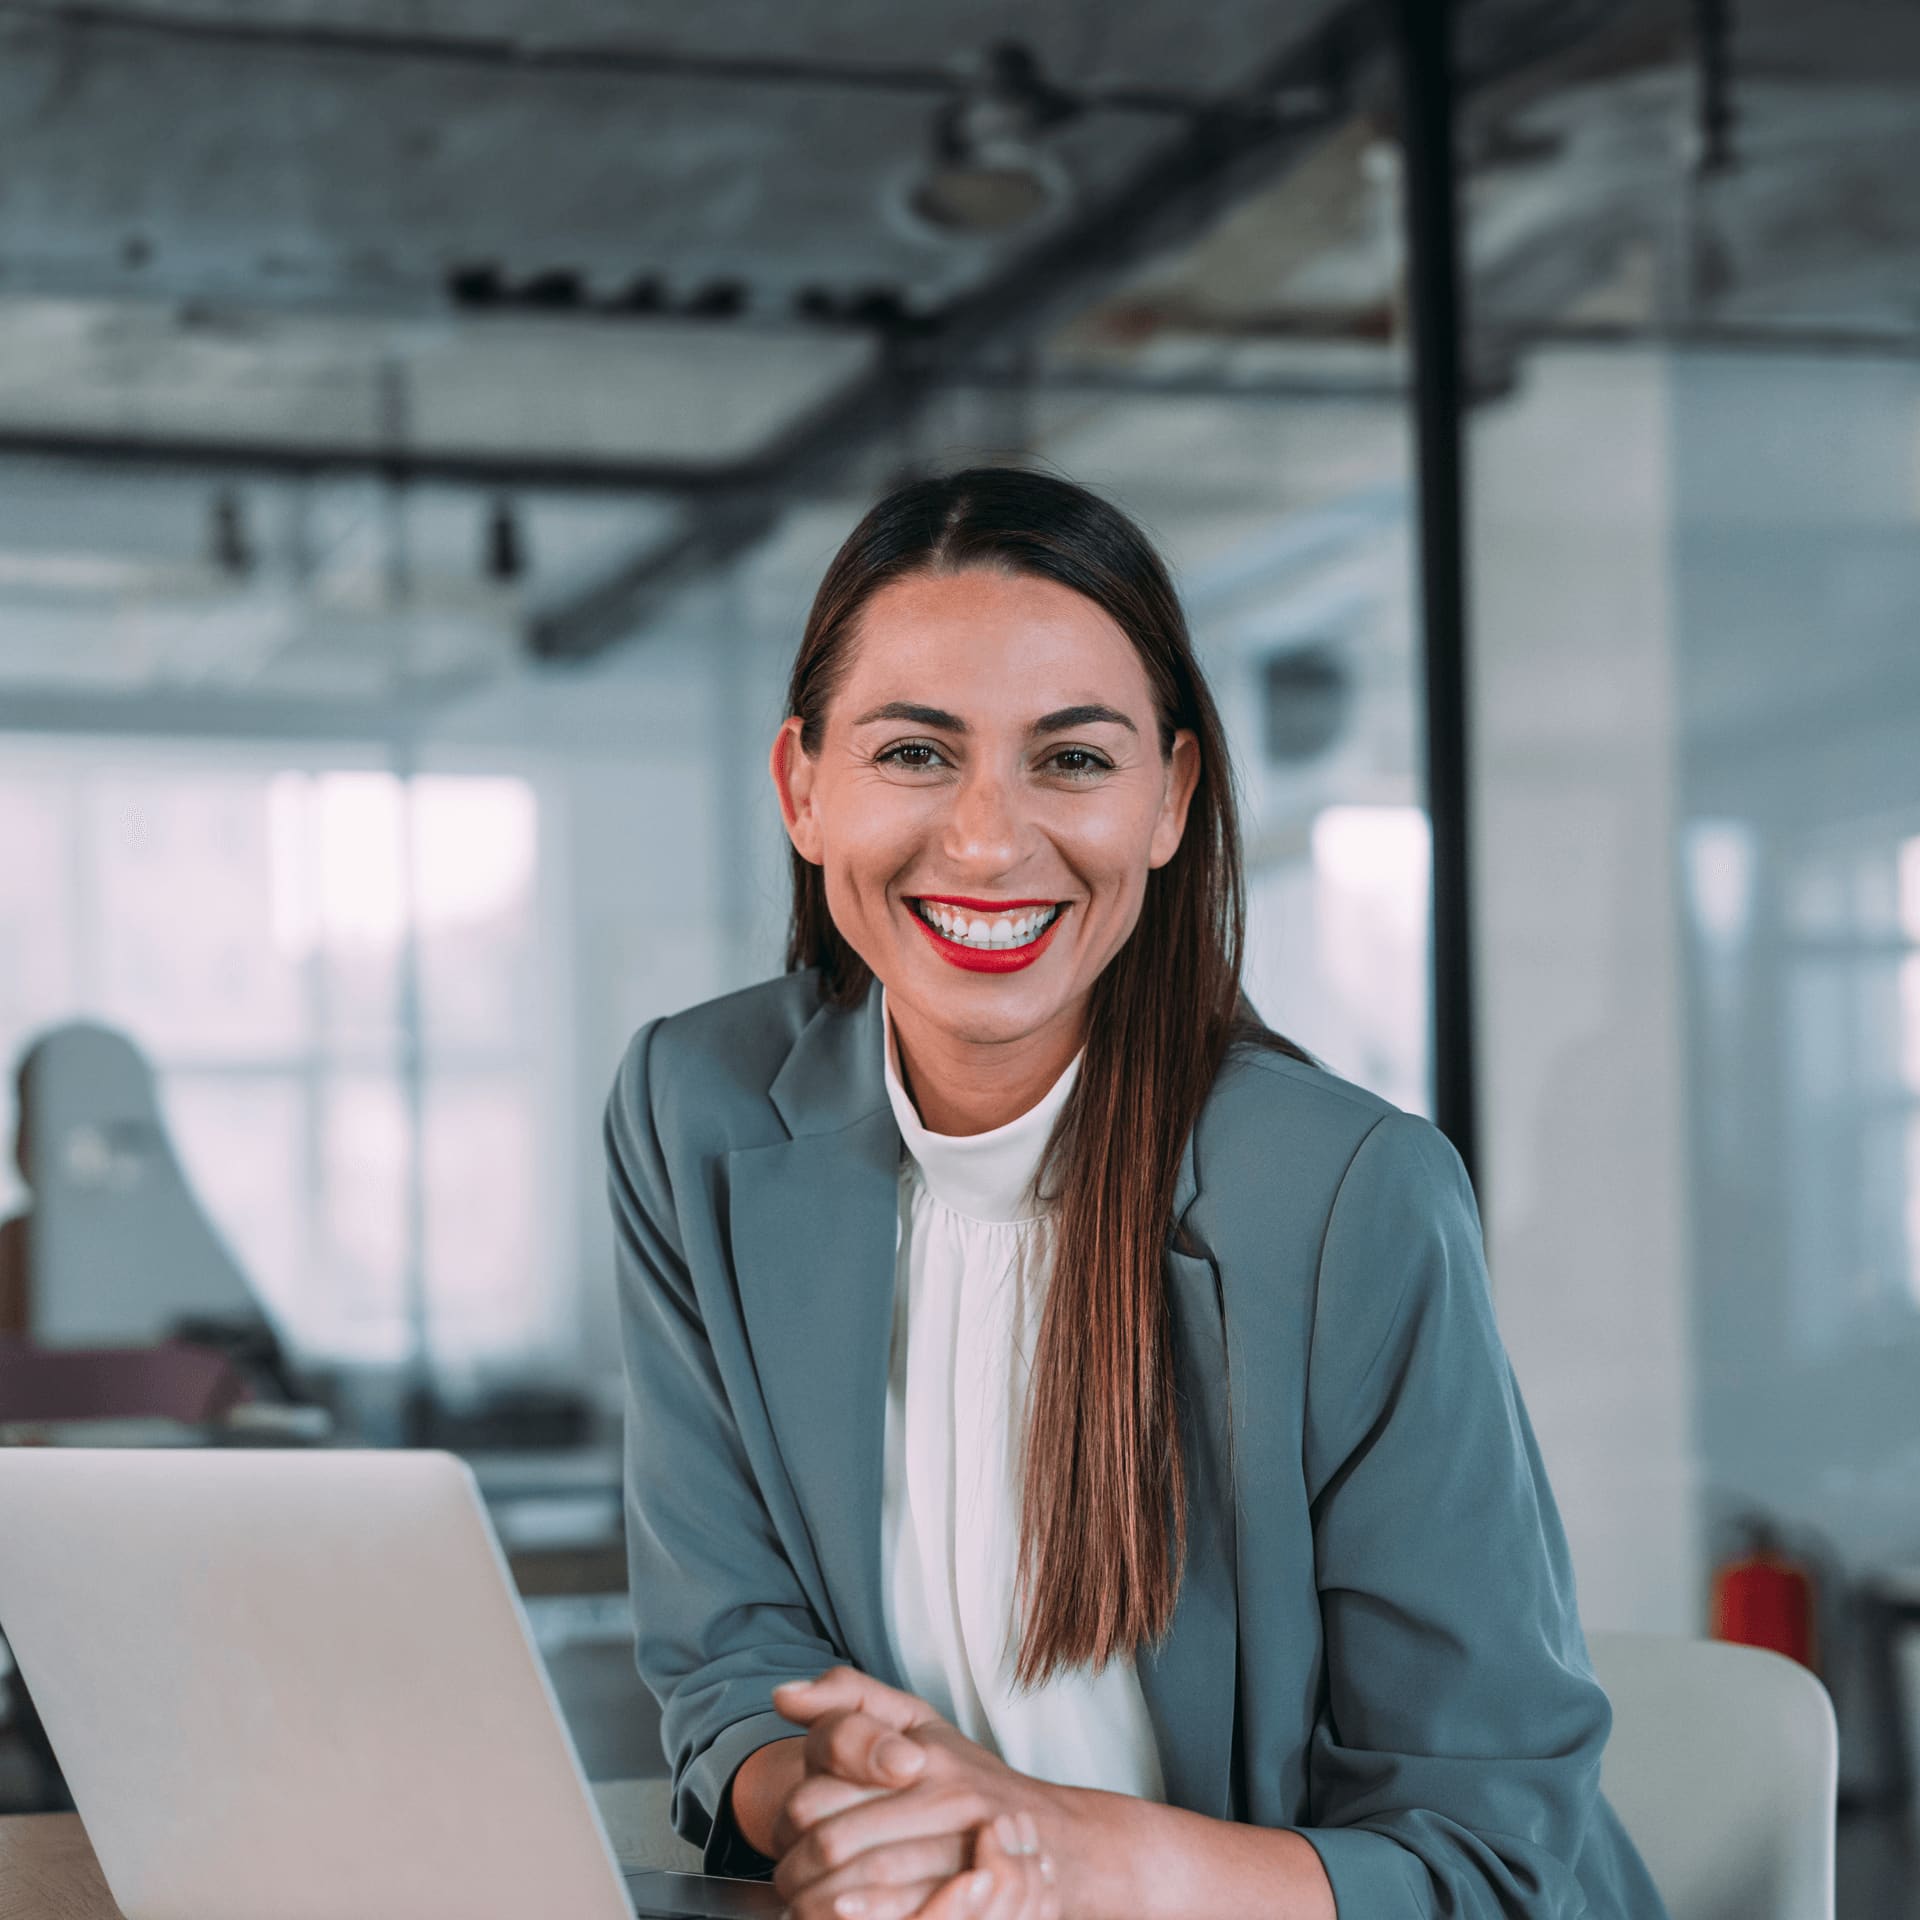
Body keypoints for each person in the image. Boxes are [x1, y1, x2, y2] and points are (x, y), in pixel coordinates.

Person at [605, 466, 1671, 1920]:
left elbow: (1487, 1860)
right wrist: (842, 1792)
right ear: (804, 788)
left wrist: (1046, 1847)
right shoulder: (694, 1111)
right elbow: (729, 1653)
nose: (986, 840)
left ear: (1170, 800)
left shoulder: (1352, 1198)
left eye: (1074, 760)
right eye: (915, 754)